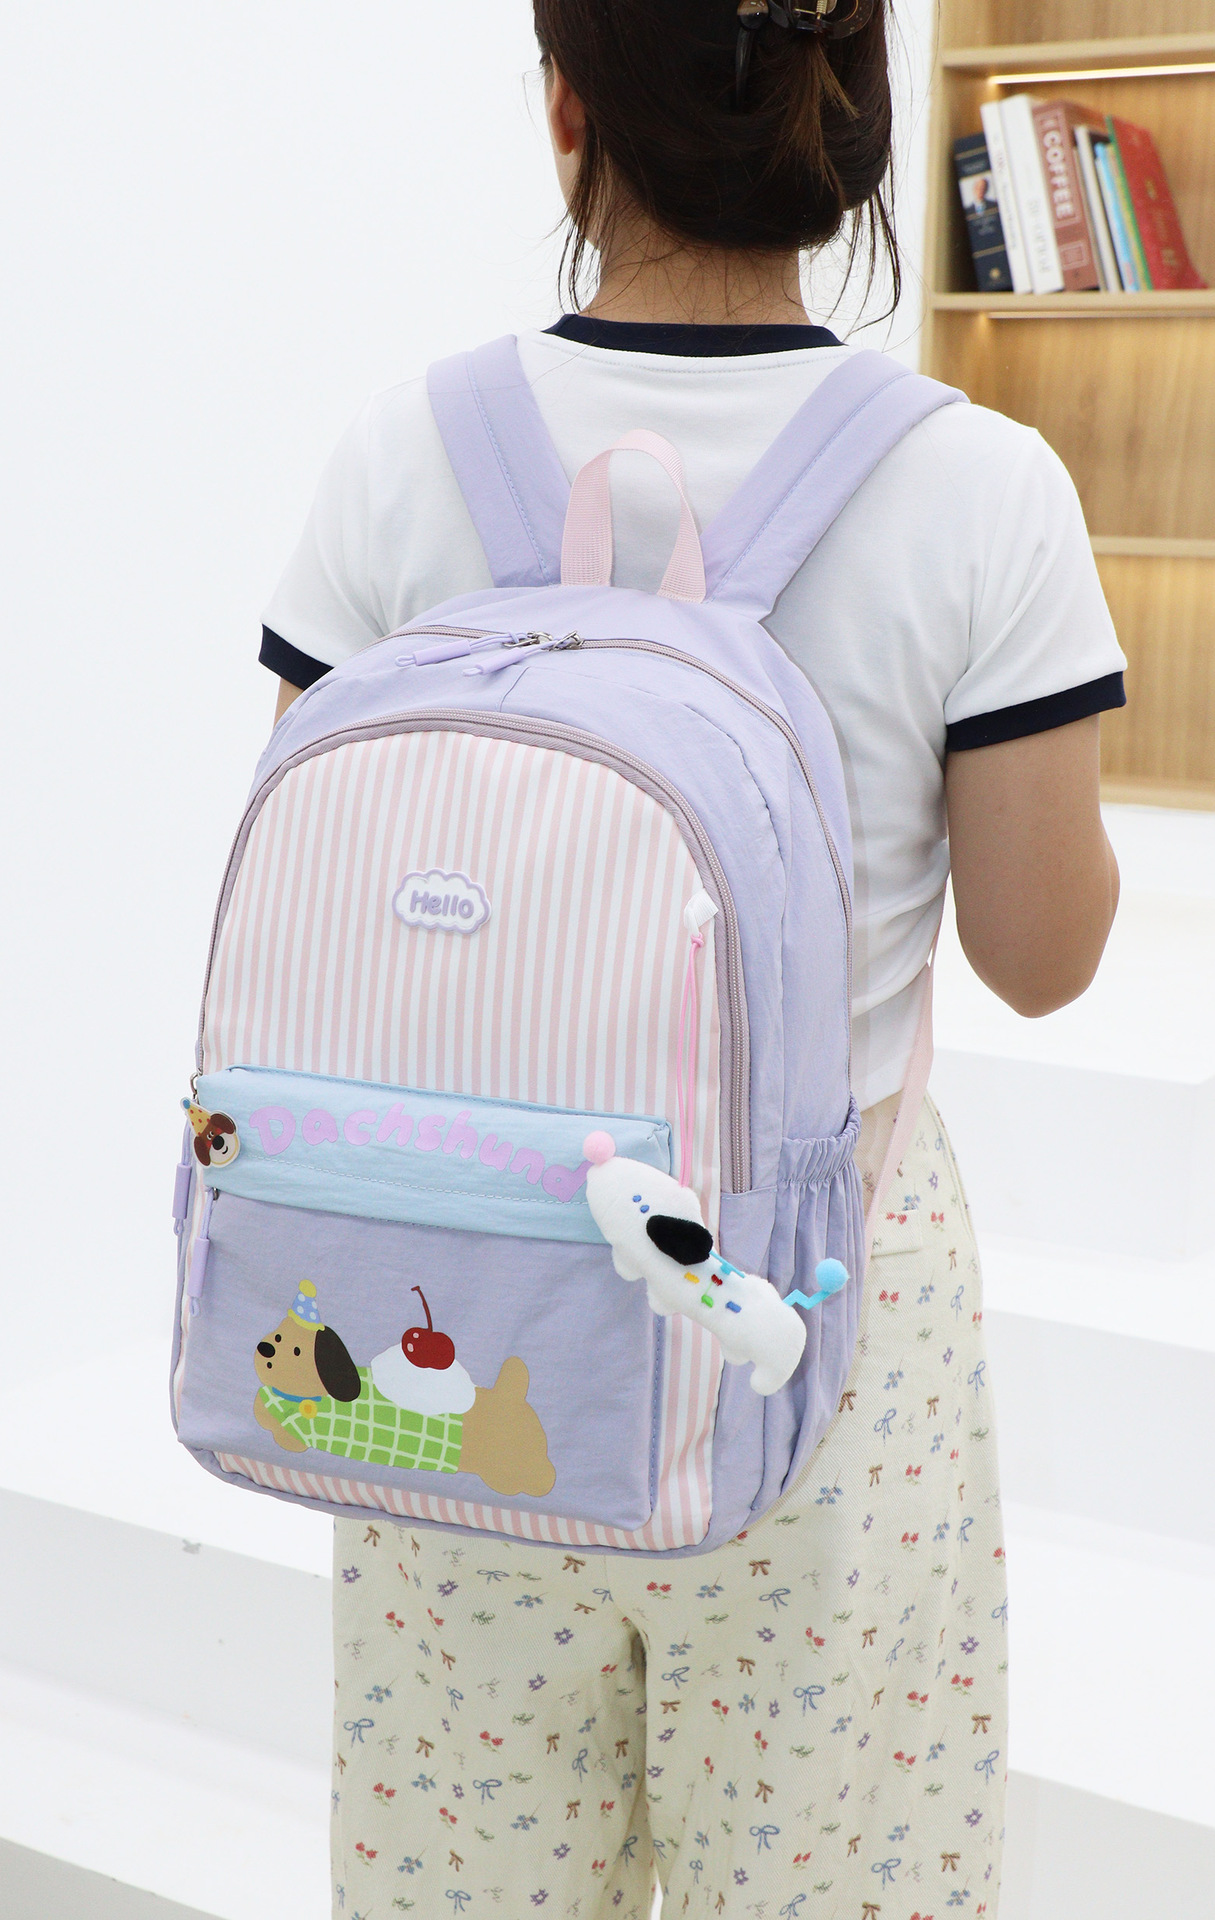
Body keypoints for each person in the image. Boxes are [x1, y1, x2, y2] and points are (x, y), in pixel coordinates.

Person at [259, 4, 1124, 1912]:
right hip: (812, 1333)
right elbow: (1043, 953)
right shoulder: (983, 488)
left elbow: (322, 928)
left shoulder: (403, 451)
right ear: (854, 115)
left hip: (456, 1320)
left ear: (567, 111)